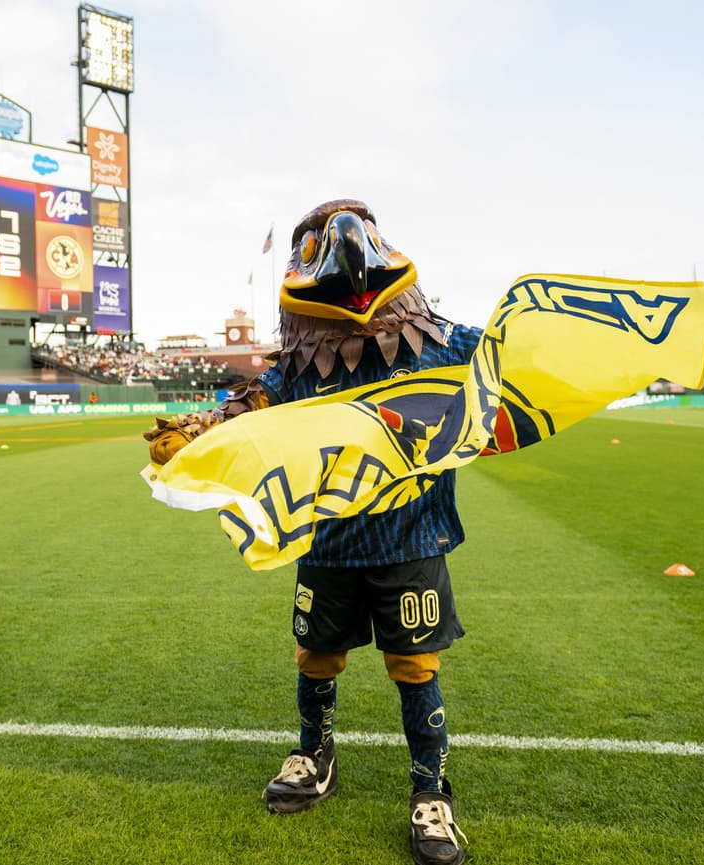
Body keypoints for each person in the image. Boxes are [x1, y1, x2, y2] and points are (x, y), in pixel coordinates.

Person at [145, 200, 478, 865]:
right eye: (314, 244)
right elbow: (248, 407)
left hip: (409, 538)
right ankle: (315, 755)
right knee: (316, 657)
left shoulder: (443, 342)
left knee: (415, 665)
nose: (349, 248)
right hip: (328, 541)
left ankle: (429, 789)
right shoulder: (297, 372)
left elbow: (504, 365)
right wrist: (202, 429)